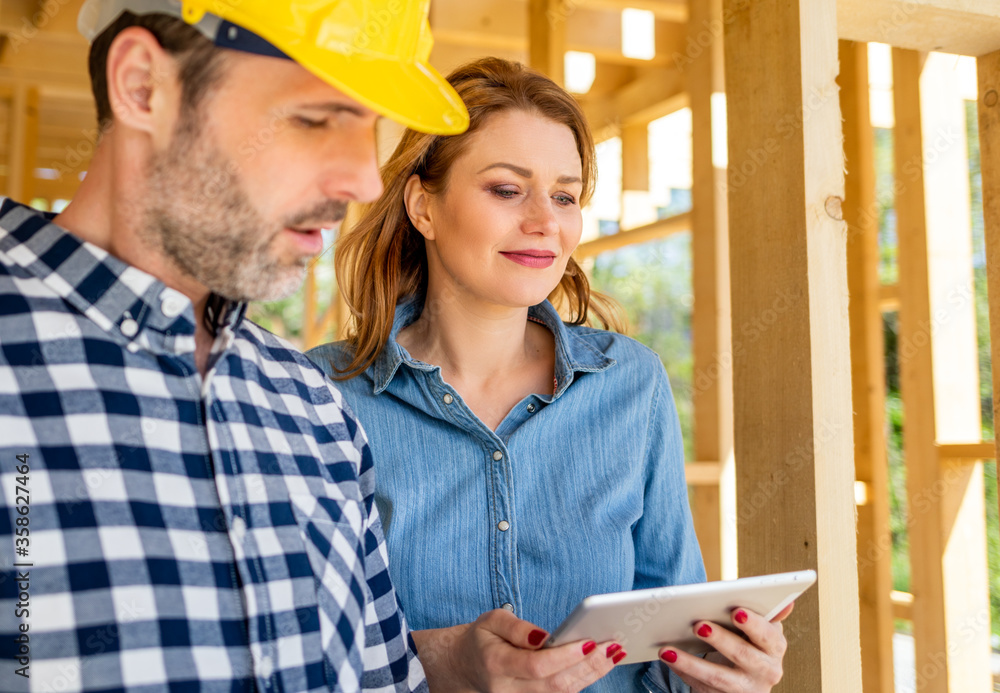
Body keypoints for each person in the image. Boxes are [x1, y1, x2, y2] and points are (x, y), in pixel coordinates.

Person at [0, 1, 500, 691]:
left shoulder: (312, 409)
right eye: (315, 118)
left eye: (371, 127)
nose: (362, 179)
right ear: (143, 86)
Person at [308, 57, 793, 693]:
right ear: (423, 207)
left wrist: (716, 673)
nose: (546, 221)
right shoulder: (320, 395)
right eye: (507, 190)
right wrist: (442, 662)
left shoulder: (631, 383)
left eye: (565, 195)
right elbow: (293, 652)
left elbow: (664, 651)